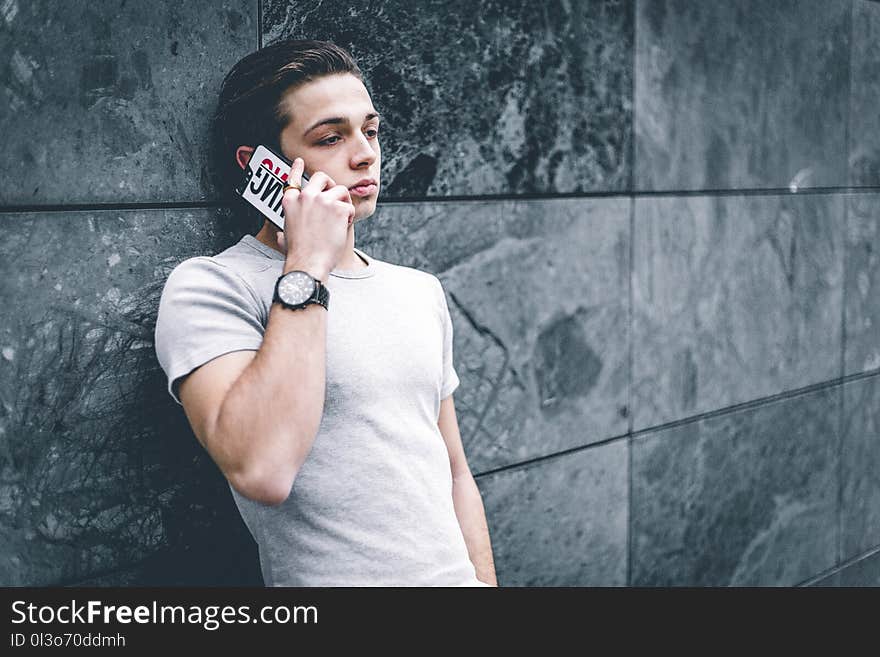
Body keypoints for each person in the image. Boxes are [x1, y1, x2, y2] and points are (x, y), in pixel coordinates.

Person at [154, 39, 497, 587]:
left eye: (371, 130)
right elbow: (261, 469)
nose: (364, 153)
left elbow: (454, 470)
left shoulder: (418, 291)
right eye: (331, 137)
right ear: (259, 166)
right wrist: (307, 265)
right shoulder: (212, 286)